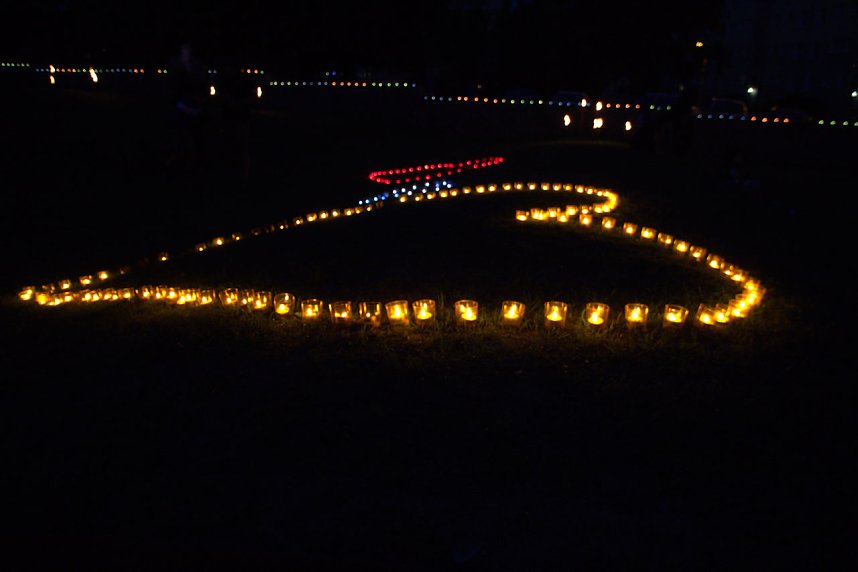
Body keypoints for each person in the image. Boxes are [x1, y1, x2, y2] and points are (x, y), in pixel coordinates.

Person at [165, 42, 208, 173]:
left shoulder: (197, 65)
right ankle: (180, 163)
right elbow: (172, 85)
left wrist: (200, 101)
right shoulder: (175, 65)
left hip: (194, 107)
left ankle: (191, 165)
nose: (186, 51)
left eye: (188, 49)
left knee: (194, 136)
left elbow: (202, 84)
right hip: (180, 106)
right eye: (184, 49)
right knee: (180, 136)